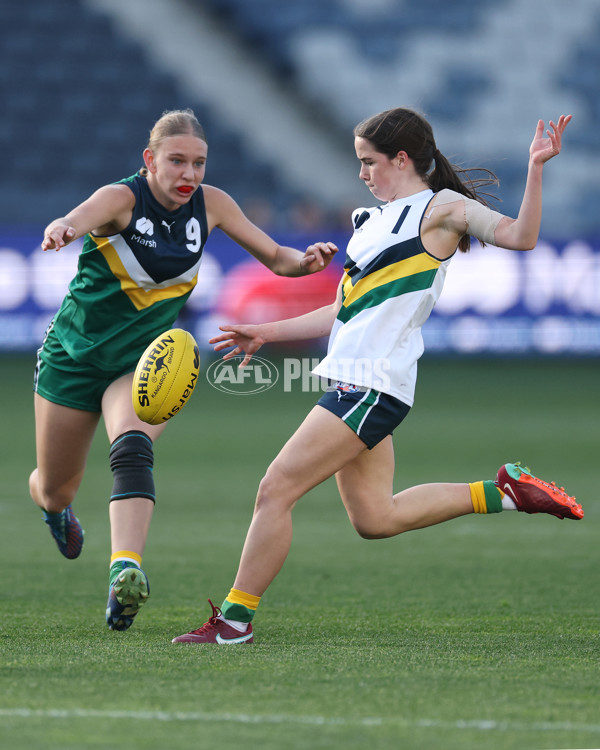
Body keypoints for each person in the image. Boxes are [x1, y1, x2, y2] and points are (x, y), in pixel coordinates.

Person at [171, 108, 582, 646]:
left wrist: (535, 168)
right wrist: (266, 332)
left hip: (373, 384)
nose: (362, 173)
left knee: (275, 490)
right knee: (375, 518)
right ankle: (507, 490)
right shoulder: (369, 222)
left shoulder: (442, 209)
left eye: (369, 161)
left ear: (403, 159)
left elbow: (521, 237)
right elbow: (344, 310)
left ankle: (234, 622)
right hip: (353, 381)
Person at [30, 108, 338, 631]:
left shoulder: (212, 205)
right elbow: (77, 217)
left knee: (131, 446)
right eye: (177, 161)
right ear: (150, 160)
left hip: (145, 360)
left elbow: (276, 258)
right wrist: (63, 228)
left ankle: (125, 572)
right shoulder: (121, 199)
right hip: (73, 358)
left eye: (198, 163)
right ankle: (53, 510)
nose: (189, 174)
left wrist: (304, 260)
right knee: (56, 485)